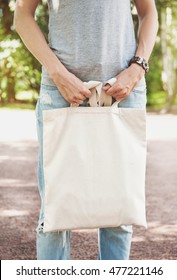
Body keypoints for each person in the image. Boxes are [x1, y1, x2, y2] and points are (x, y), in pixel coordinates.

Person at [14, 0, 158, 260]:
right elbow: (22, 15)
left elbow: (149, 13)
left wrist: (137, 69)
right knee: (54, 216)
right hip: (60, 92)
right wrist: (58, 74)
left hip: (123, 90)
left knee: (119, 211)